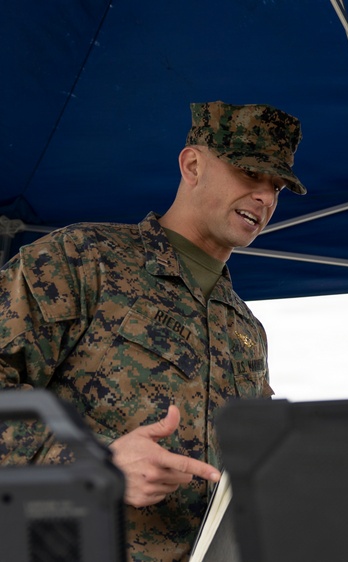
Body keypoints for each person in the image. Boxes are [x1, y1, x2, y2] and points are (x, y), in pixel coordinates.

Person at [0, 100, 307, 561]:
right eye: (250, 175)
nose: (265, 197)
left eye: (277, 186)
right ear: (192, 165)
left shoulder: (244, 327)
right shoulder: (81, 259)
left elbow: (254, 458)